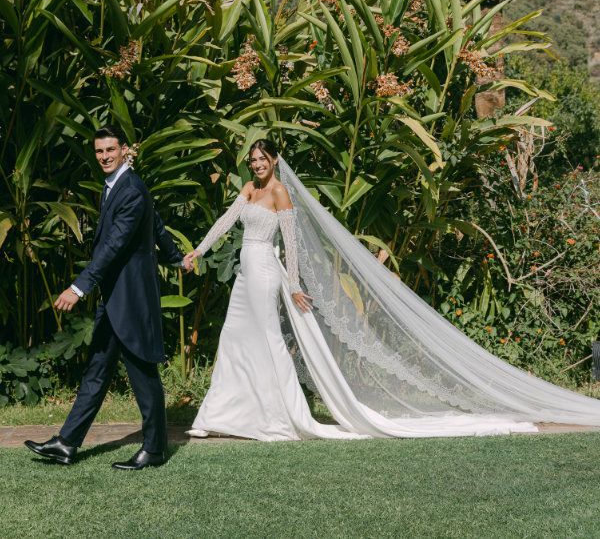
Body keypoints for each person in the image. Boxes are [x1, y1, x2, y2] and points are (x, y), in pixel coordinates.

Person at [185, 139, 600, 441]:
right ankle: (222, 414)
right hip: (245, 271)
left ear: (274, 160)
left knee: (268, 340)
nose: (257, 165)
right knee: (235, 338)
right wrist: (198, 250)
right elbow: (225, 221)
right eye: (253, 160)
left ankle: (278, 417)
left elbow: (291, 243)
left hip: (266, 273)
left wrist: (293, 284)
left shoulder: (279, 193)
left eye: (263, 159)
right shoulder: (248, 189)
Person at [24, 125, 188, 469]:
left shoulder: (130, 189)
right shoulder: (118, 185)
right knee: (97, 371)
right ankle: (67, 444)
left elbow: (113, 246)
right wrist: (175, 257)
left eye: (110, 150)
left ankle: (155, 449)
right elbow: (156, 224)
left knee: (143, 373)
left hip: (132, 299)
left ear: (123, 149)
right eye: (99, 151)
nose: (104, 156)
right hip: (114, 299)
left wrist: (78, 287)